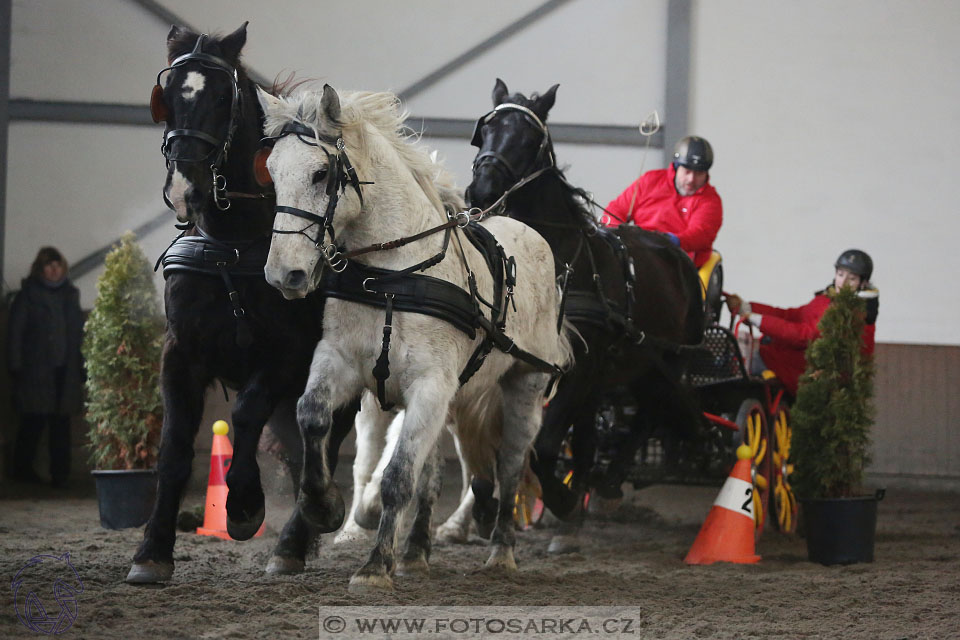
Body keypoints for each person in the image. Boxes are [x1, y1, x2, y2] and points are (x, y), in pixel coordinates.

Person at [725, 249, 879, 396]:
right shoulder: (827, 299)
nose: (843, 282)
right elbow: (792, 315)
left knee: (736, 361)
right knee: (737, 348)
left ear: (863, 283)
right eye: (840, 274)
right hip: (784, 359)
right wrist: (750, 308)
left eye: (851, 278)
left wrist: (757, 320)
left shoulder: (851, 314)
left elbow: (806, 335)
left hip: (800, 372)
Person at [6, 247, 85, 487]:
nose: (53, 270)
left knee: (60, 425)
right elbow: (16, 334)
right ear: (40, 270)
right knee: (33, 422)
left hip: (65, 370)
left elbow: (78, 334)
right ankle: (23, 470)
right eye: (48, 266)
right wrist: (16, 366)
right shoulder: (28, 295)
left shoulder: (70, 295)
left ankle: (60, 474)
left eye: (57, 265)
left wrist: (81, 366)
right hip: (36, 369)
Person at [601, 135, 723, 268]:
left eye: (699, 174)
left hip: (678, 262)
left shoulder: (711, 201)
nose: (691, 179)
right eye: (687, 171)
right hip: (637, 250)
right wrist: (618, 234)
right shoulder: (650, 181)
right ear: (676, 167)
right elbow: (616, 210)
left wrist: (674, 241)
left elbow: (700, 233)